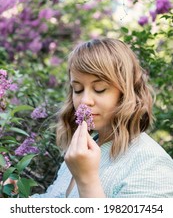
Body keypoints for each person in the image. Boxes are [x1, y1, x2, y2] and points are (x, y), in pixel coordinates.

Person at [32, 37, 173, 198]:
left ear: (126, 93)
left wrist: (87, 180)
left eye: (99, 89)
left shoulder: (152, 165)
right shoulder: (85, 149)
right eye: (77, 89)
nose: (84, 101)